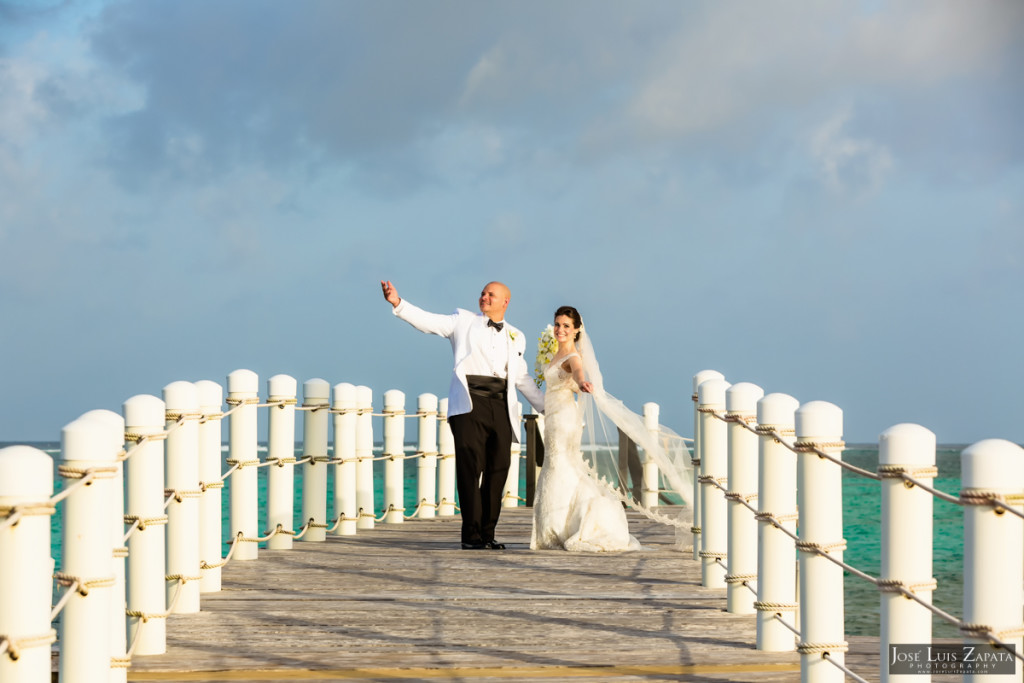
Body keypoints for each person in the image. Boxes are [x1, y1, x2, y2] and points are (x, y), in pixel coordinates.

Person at [381, 280, 544, 550]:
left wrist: (547, 407)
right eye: (482, 293)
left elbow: (522, 377)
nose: (484, 297)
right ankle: (471, 535)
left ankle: (488, 533)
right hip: (470, 404)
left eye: (491, 295)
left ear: (505, 302)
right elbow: (429, 321)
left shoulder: (516, 335)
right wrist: (399, 304)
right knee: (470, 469)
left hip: (502, 406)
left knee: (499, 470)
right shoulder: (462, 321)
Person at [531, 306, 641, 551]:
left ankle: (559, 527)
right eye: (557, 324)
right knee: (556, 464)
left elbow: (579, 373)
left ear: (577, 329)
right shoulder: (555, 354)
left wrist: (583, 383)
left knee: (560, 464)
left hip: (564, 420)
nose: (560, 330)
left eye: (566, 326)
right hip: (553, 418)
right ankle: (554, 525)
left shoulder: (572, 357)